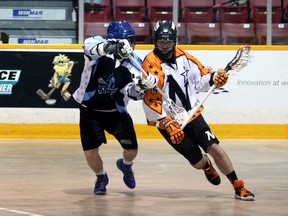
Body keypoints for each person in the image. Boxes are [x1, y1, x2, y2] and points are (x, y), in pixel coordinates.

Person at [141, 20, 255, 201]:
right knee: (196, 161)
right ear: (155, 41)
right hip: (170, 122)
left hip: (191, 114)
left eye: (168, 41)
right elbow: (150, 100)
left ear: (174, 40)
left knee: (215, 148)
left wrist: (214, 79)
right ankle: (206, 165)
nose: (164, 46)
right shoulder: (150, 65)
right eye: (161, 42)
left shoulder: (185, 58)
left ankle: (237, 185)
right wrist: (166, 122)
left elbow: (201, 80)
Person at [73, 20, 158, 195]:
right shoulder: (96, 45)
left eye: (131, 40)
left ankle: (126, 166)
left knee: (131, 150)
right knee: (90, 153)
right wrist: (113, 48)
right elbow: (90, 47)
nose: (131, 45)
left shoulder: (134, 62)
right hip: (90, 110)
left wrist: (141, 87)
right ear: (113, 40)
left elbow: (131, 93)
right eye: (126, 41)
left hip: (116, 112)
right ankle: (101, 177)